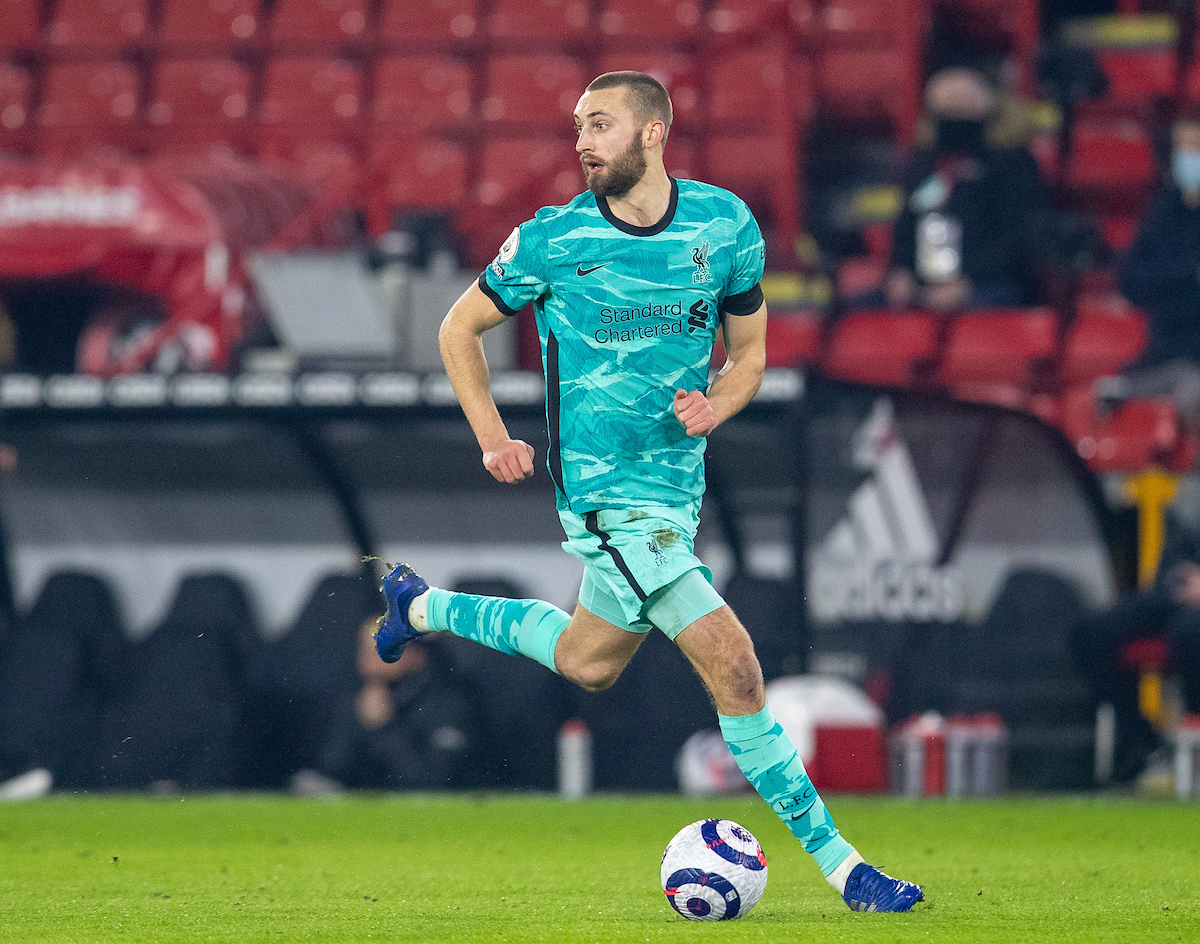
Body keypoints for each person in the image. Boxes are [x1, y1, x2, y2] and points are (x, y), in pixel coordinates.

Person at [373, 71, 923, 914]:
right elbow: (459, 328)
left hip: (675, 496)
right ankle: (849, 871)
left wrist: (719, 403)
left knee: (585, 662)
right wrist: (493, 436)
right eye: (578, 127)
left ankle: (417, 608)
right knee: (736, 667)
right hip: (603, 497)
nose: (583, 140)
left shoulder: (725, 225)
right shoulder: (552, 239)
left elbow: (749, 359)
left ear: (654, 131)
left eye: (601, 123)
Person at [882, 67, 1048, 313]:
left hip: (990, 283)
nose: (953, 127)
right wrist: (901, 271)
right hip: (925, 282)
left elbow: (1018, 241)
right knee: (857, 312)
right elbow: (905, 226)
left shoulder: (1012, 166)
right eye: (944, 115)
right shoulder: (924, 166)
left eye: (961, 114)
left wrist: (966, 282)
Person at [1073, 512, 1200, 784]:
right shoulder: (1188, 514)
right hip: (1174, 600)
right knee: (1090, 631)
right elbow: (1172, 571)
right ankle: (1145, 744)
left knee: (1190, 631)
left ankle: (1193, 748)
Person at [1101, 115, 1200, 429]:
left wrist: (1170, 280)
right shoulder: (1163, 212)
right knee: (1105, 396)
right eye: (1184, 150)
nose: (1191, 158)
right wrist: (1188, 274)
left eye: (1197, 148)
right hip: (1166, 353)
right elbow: (1130, 282)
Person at [319, 618, 480, 790]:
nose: (371, 662)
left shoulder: (448, 702)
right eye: (365, 652)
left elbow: (434, 783)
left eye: (382, 650)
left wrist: (384, 729)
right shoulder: (358, 696)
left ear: (417, 655)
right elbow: (331, 771)